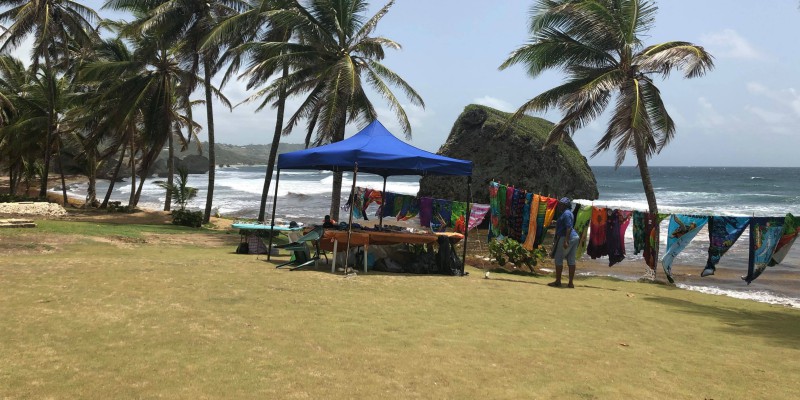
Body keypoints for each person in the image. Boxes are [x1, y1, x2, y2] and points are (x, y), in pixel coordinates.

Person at [549, 197, 580, 288]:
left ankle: (558, 281)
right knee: (571, 260)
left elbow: (569, 227)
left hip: (566, 237)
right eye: (560, 204)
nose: (559, 205)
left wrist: (566, 241)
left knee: (558, 258)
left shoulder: (566, 214)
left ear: (566, 205)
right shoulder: (569, 213)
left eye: (561, 204)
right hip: (575, 237)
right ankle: (570, 283)